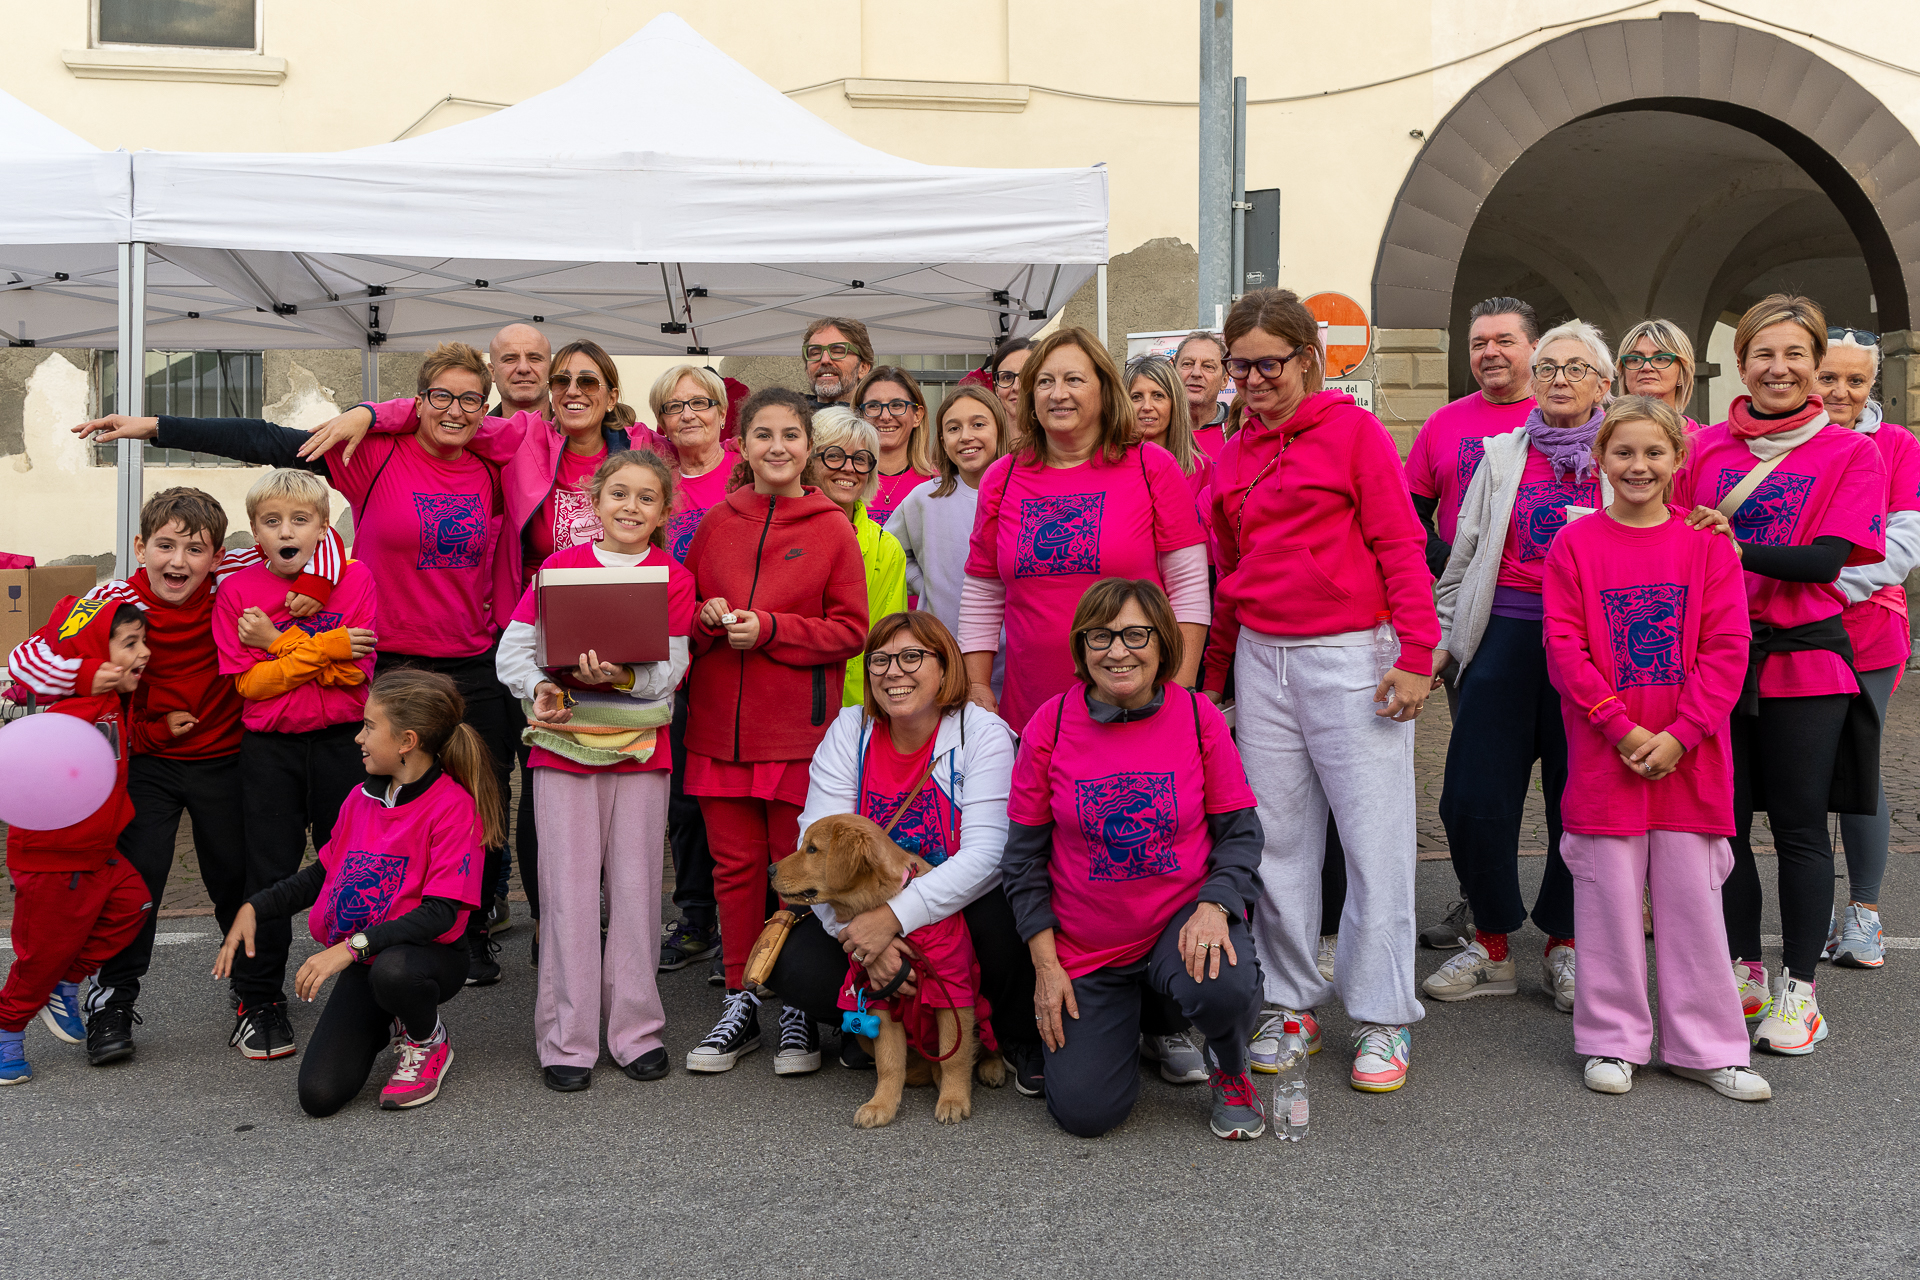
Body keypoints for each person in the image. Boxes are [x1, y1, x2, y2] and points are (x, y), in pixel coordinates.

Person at [78, 345, 520, 989]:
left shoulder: (492, 457)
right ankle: (337, 966)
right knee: (391, 816)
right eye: (439, 397)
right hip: (387, 657)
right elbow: (270, 446)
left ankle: (468, 931)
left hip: (474, 658)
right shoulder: (374, 454)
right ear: (420, 400)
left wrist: (378, 407)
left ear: (484, 408)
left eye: (469, 400)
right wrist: (153, 428)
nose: (455, 411)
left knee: (477, 802)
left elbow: (532, 430)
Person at [2, 489, 341, 1065]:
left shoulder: (237, 572)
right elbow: (24, 663)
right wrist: (97, 671)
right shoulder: (109, 599)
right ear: (140, 547)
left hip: (230, 760)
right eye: (164, 546)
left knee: (240, 882)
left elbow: (325, 539)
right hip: (148, 765)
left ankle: (256, 998)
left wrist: (311, 588)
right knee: (138, 885)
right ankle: (112, 1001)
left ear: (219, 555)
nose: (178, 562)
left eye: (195, 549)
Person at [1206, 288, 1437, 1094]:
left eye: (1269, 363)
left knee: (1374, 841)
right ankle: (1287, 1000)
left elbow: (1400, 543)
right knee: (1276, 840)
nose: (1254, 380)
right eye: (1241, 366)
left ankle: (1381, 1017)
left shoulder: (1354, 432)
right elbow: (1233, 571)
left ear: (1308, 357)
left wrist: (1418, 654)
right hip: (1263, 657)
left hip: (1350, 651)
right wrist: (1218, 673)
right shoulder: (1232, 453)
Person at [1671, 295, 1887, 1055]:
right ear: (1741, 361)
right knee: (1724, 827)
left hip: (1804, 659)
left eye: (1796, 354)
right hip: (1717, 662)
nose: (1779, 368)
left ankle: (1800, 991)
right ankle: (1743, 969)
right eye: (1764, 353)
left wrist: (1729, 546)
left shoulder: (1852, 453)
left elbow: (1827, 560)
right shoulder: (1704, 449)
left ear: (1817, 365)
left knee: (1798, 830)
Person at [1542, 396, 1769, 1102]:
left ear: (1678, 459)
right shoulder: (1573, 545)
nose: (1638, 466)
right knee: (1607, 905)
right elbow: (1564, 647)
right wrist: (1623, 727)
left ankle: (1708, 1044)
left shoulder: (1706, 544)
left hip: (1690, 764)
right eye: (1623, 452)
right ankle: (1613, 1038)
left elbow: (1728, 648)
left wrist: (1680, 733)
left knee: (1694, 908)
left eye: (1653, 453)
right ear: (1600, 459)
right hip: (1607, 762)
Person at [1002, 579, 1266, 1138]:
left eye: (1135, 635)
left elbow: (1240, 833)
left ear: (1163, 642)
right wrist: (1047, 968)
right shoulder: (1048, 726)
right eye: (1101, 636)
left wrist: (1217, 906)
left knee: (1222, 986)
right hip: (1088, 946)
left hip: (1181, 923)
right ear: (1081, 648)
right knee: (1085, 1113)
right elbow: (1022, 862)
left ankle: (1230, 1063)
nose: (1117, 651)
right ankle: (1143, 1025)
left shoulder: (1199, 718)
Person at [1426, 319, 1615, 1015]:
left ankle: (1565, 943)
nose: (1559, 379)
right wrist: (1448, 642)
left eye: (1575, 369)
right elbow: (1463, 557)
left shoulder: (1621, 453)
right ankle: (1493, 943)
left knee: (1583, 800)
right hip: (1502, 637)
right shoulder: (1502, 454)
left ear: (1603, 383)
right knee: (1473, 798)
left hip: (1591, 652)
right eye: (1549, 368)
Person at [765, 612, 1038, 1085]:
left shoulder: (982, 732)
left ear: (945, 668)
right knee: (795, 965)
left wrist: (893, 920)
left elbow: (989, 855)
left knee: (1003, 917)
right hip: (865, 907)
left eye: (912, 657)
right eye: (880, 660)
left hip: (956, 907)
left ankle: (1012, 1036)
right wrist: (870, 945)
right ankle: (875, 1031)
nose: (894, 672)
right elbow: (814, 841)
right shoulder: (851, 730)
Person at [212, 669, 501, 1116]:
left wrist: (350, 948)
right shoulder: (359, 798)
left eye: (369, 726)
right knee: (320, 1095)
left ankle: (426, 1039)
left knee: (394, 972)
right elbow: (321, 875)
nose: (358, 738)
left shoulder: (454, 807)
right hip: (367, 955)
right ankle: (388, 1014)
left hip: (423, 958)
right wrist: (256, 906)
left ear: (406, 741)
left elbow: (441, 913)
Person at [681, 388, 868, 1073]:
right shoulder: (714, 524)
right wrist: (705, 621)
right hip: (717, 732)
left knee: (797, 879)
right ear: (743, 445)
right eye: (764, 435)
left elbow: (852, 631)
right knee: (734, 872)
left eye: (791, 434)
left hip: (797, 733)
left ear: (807, 447)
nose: (778, 447)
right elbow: (686, 613)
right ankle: (741, 999)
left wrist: (772, 630)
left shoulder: (831, 527)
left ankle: (797, 1003)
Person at [497, 450, 693, 1090]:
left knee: (636, 895)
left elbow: (671, 673)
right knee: (567, 897)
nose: (631, 507)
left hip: (640, 751)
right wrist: (540, 689)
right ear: (594, 501)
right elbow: (515, 652)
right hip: (561, 749)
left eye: (646, 498)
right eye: (619, 494)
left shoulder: (673, 575)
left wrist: (624, 675)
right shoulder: (558, 568)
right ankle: (566, 1040)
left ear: (664, 510)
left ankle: (636, 1033)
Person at [959, 326, 1210, 734]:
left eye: (1074, 379)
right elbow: (983, 592)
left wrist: (1178, 691)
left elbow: (1189, 589)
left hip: (1138, 705)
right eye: (1044, 382)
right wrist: (976, 686)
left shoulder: (1152, 466)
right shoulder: (1000, 478)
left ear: (1104, 389)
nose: (1058, 394)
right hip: (1031, 712)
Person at [215, 469, 379, 1059]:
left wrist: (279, 644)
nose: (287, 530)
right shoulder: (237, 592)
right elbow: (252, 686)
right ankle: (258, 1000)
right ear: (255, 529)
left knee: (357, 867)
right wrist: (325, 651)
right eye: (272, 520)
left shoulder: (354, 580)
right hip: (270, 751)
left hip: (344, 743)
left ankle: (364, 989)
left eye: (301, 519)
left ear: (321, 527)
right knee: (269, 872)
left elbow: (356, 671)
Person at [1405, 298, 1541, 949]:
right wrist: (1456, 562)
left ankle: (1570, 926)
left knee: (1572, 785)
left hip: (1560, 622)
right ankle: (1478, 903)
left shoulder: (1565, 417)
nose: (1490, 352)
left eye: (1505, 341)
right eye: (1479, 342)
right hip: (1478, 624)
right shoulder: (1445, 424)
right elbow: (1411, 510)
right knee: (1483, 784)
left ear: (1533, 349)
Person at [0, 599, 153, 1086]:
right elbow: (32, 660)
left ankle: (66, 982)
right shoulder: (66, 707)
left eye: (143, 642)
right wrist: (84, 674)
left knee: (134, 905)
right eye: (130, 644)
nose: (144, 653)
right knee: (39, 957)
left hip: (99, 852)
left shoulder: (110, 703)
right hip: (53, 861)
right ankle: (6, 1034)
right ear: (95, 655)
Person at [1819, 328, 1920, 967]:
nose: (1842, 392)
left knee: (1860, 768)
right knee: (1791, 775)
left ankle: (1863, 913)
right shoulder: (1782, 444)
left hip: (1868, 634)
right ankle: (1802, 908)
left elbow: (1902, 548)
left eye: (1856, 380)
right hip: (1787, 635)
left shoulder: (1896, 445)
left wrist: (1818, 587)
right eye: (1829, 377)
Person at [654, 363, 734, 978]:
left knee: (735, 797)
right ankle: (696, 915)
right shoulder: (656, 483)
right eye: (675, 406)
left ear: (722, 412)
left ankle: (753, 920)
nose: (689, 414)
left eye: (700, 403)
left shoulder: (747, 473)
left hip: (735, 657)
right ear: (661, 421)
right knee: (684, 801)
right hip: (670, 660)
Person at [885, 387, 1010, 689]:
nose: (966, 436)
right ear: (942, 439)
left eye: (978, 424)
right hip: (942, 657)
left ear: (999, 429)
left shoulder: (1021, 493)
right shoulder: (925, 499)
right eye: (953, 428)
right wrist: (923, 581)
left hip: (1014, 660)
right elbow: (887, 550)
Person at [810, 405, 908, 706]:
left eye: (861, 460)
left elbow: (885, 643)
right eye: (835, 455)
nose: (849, 469)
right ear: (808, 460)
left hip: (859, 710)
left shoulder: (886, 547)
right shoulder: (775, 531)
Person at [1125, 354, 1212, 534]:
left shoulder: (1203, 470)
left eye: (1158, 396)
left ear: (1175, 404)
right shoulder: (1108, 467)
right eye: (1136, 397)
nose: (1146, 406)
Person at [851, 366, 939, 527]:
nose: (885, 416)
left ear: (917, 416)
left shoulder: (938, 484)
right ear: (858, 416)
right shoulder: (845, 479)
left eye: (897, 405)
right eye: (873, 406)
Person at [1615, 319, 1699, 426]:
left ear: (1683, 373)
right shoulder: (1602, 439)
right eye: (1635, 359)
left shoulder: (1709, 440)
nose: (1646, 367)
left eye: (1661, 359)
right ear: (1623, 373)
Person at [1172, 331, 1232, 459]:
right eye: (1187, 364)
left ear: (1224, 381)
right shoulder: (1155, 429)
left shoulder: (1239, 429)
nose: (1196, 373)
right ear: (1172, 373)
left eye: (1208, 366)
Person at [802, 317, 874, 408]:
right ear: (807, 370)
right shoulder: (790, 418)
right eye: (815, 353)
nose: (825, 360)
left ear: (863, 368)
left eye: (837, 352)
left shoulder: (880, 418)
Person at [489, 322, 553, 418]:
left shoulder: (576, 432)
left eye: (534, 359)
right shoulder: (473, 433)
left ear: (552, 370)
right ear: (492, 372)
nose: (523, 368)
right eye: (510, 359)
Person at [986, 336, 1034, 426]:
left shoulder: (1061, 439)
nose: (1017, 387)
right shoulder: (983, 438)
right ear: (996, 389)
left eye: (1026, 375)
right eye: (1007, 377)